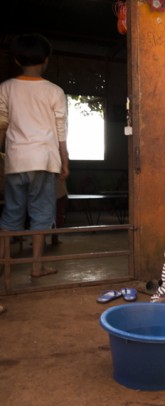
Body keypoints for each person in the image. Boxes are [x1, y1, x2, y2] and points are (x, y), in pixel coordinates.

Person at [0, 33, 69, 278]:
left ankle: (4, 265)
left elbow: (2, 124)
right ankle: (36, 266)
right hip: (44, 160)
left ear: (16, 60)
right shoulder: (54, 92)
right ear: (46, 60)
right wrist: (64, 160)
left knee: (11, 213)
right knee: (42, 214)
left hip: (15, 161)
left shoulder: (6, 88)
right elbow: (61, 130)